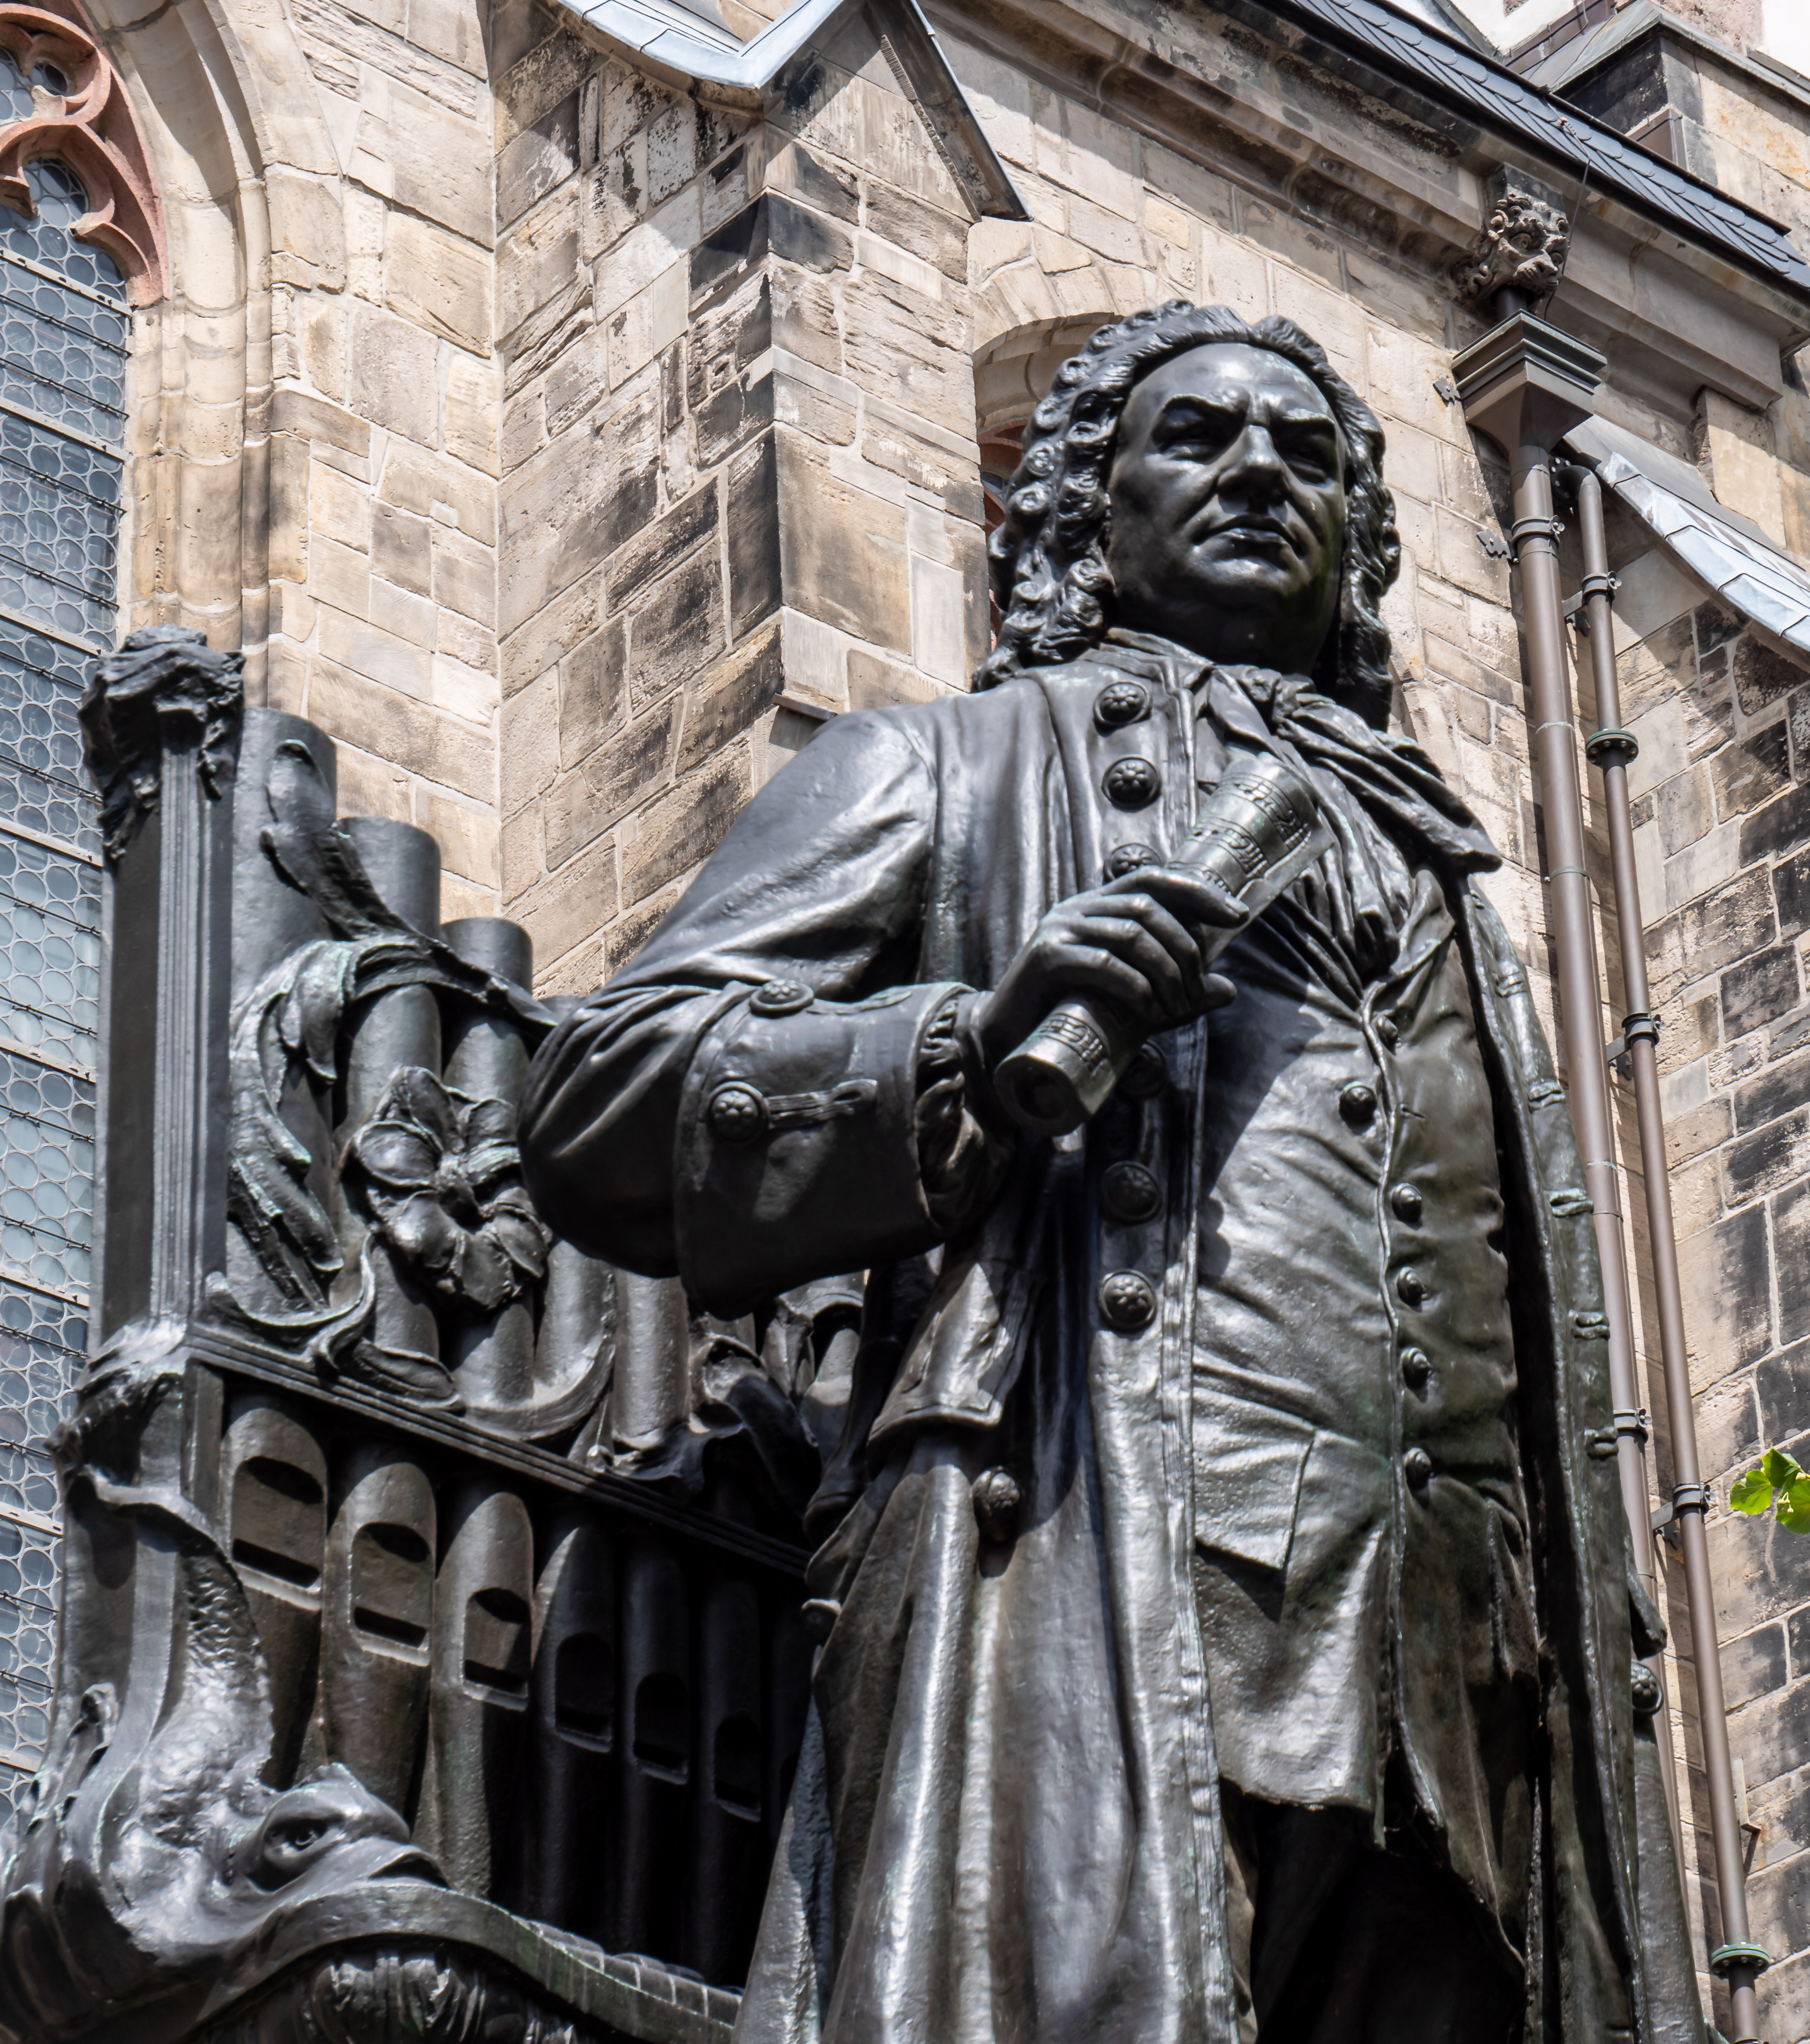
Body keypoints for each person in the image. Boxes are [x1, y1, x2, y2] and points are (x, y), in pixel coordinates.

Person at [520, 301, 1701, 2044]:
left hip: (1460, 1678)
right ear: (1087, 511)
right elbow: (601, 1103)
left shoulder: (1444, 872)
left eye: (1309, 456)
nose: (1261, 473)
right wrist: (966, 1044)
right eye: (1200, 438)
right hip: (1098, 1568)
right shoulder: (943, 766)